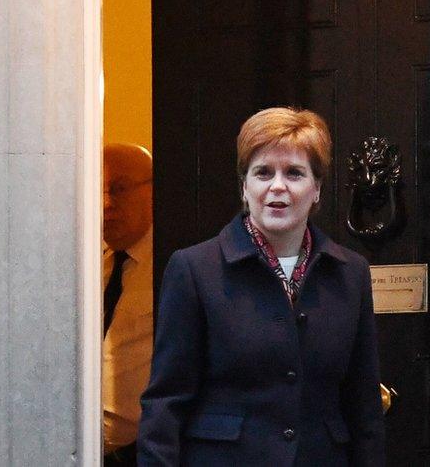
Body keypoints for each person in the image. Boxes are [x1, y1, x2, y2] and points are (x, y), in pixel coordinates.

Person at [137, 107, 385, 466]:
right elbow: (166, 403)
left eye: (294, 173)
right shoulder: (194, 269)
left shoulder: (350, 273)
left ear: (316, 189)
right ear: (245, 187)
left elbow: (363, 406)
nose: (277, 187)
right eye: (263, 173)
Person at [103, 143, 155, 466]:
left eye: (118, 189)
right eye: (100, 189)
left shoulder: (170, 269)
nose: (106, 204)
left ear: (152, 191)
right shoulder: (90, 269)